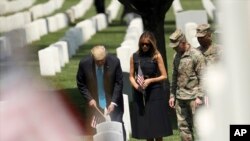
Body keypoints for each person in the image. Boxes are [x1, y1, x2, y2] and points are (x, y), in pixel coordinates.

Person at [129, 31, 173, 141]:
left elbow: (164, 76)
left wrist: (150, 80)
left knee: (157, 126)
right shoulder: (134, 56)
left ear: (151, 44)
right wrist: (136, 86)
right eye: (142, 44)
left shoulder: (156, 56)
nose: (144, 46)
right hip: (140, 92)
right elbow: (131, 76)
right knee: (146, 126)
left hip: (155, 92)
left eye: (147, 44)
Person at [76, 45, 126, 141]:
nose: (100, 63)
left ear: (106, 56)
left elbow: (119, 83)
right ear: (92, 57)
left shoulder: (114, 62)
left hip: (112, 100)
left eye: (102, 60)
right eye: (97, 61)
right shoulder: (84, 64)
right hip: (94, 102)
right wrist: (89, 98)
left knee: (117, 125)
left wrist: (113, 102)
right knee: (95, 129)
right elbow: (81, 83)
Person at [168, 29, 206, 141]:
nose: (174, 48)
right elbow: (174, 76)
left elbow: (203, 77)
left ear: (183, 42)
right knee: (184, 129)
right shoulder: (176, 56)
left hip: (194, 98)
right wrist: (172, 95)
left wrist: (200, 96)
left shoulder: (196, 55)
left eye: (176, 45)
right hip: (180, 98)